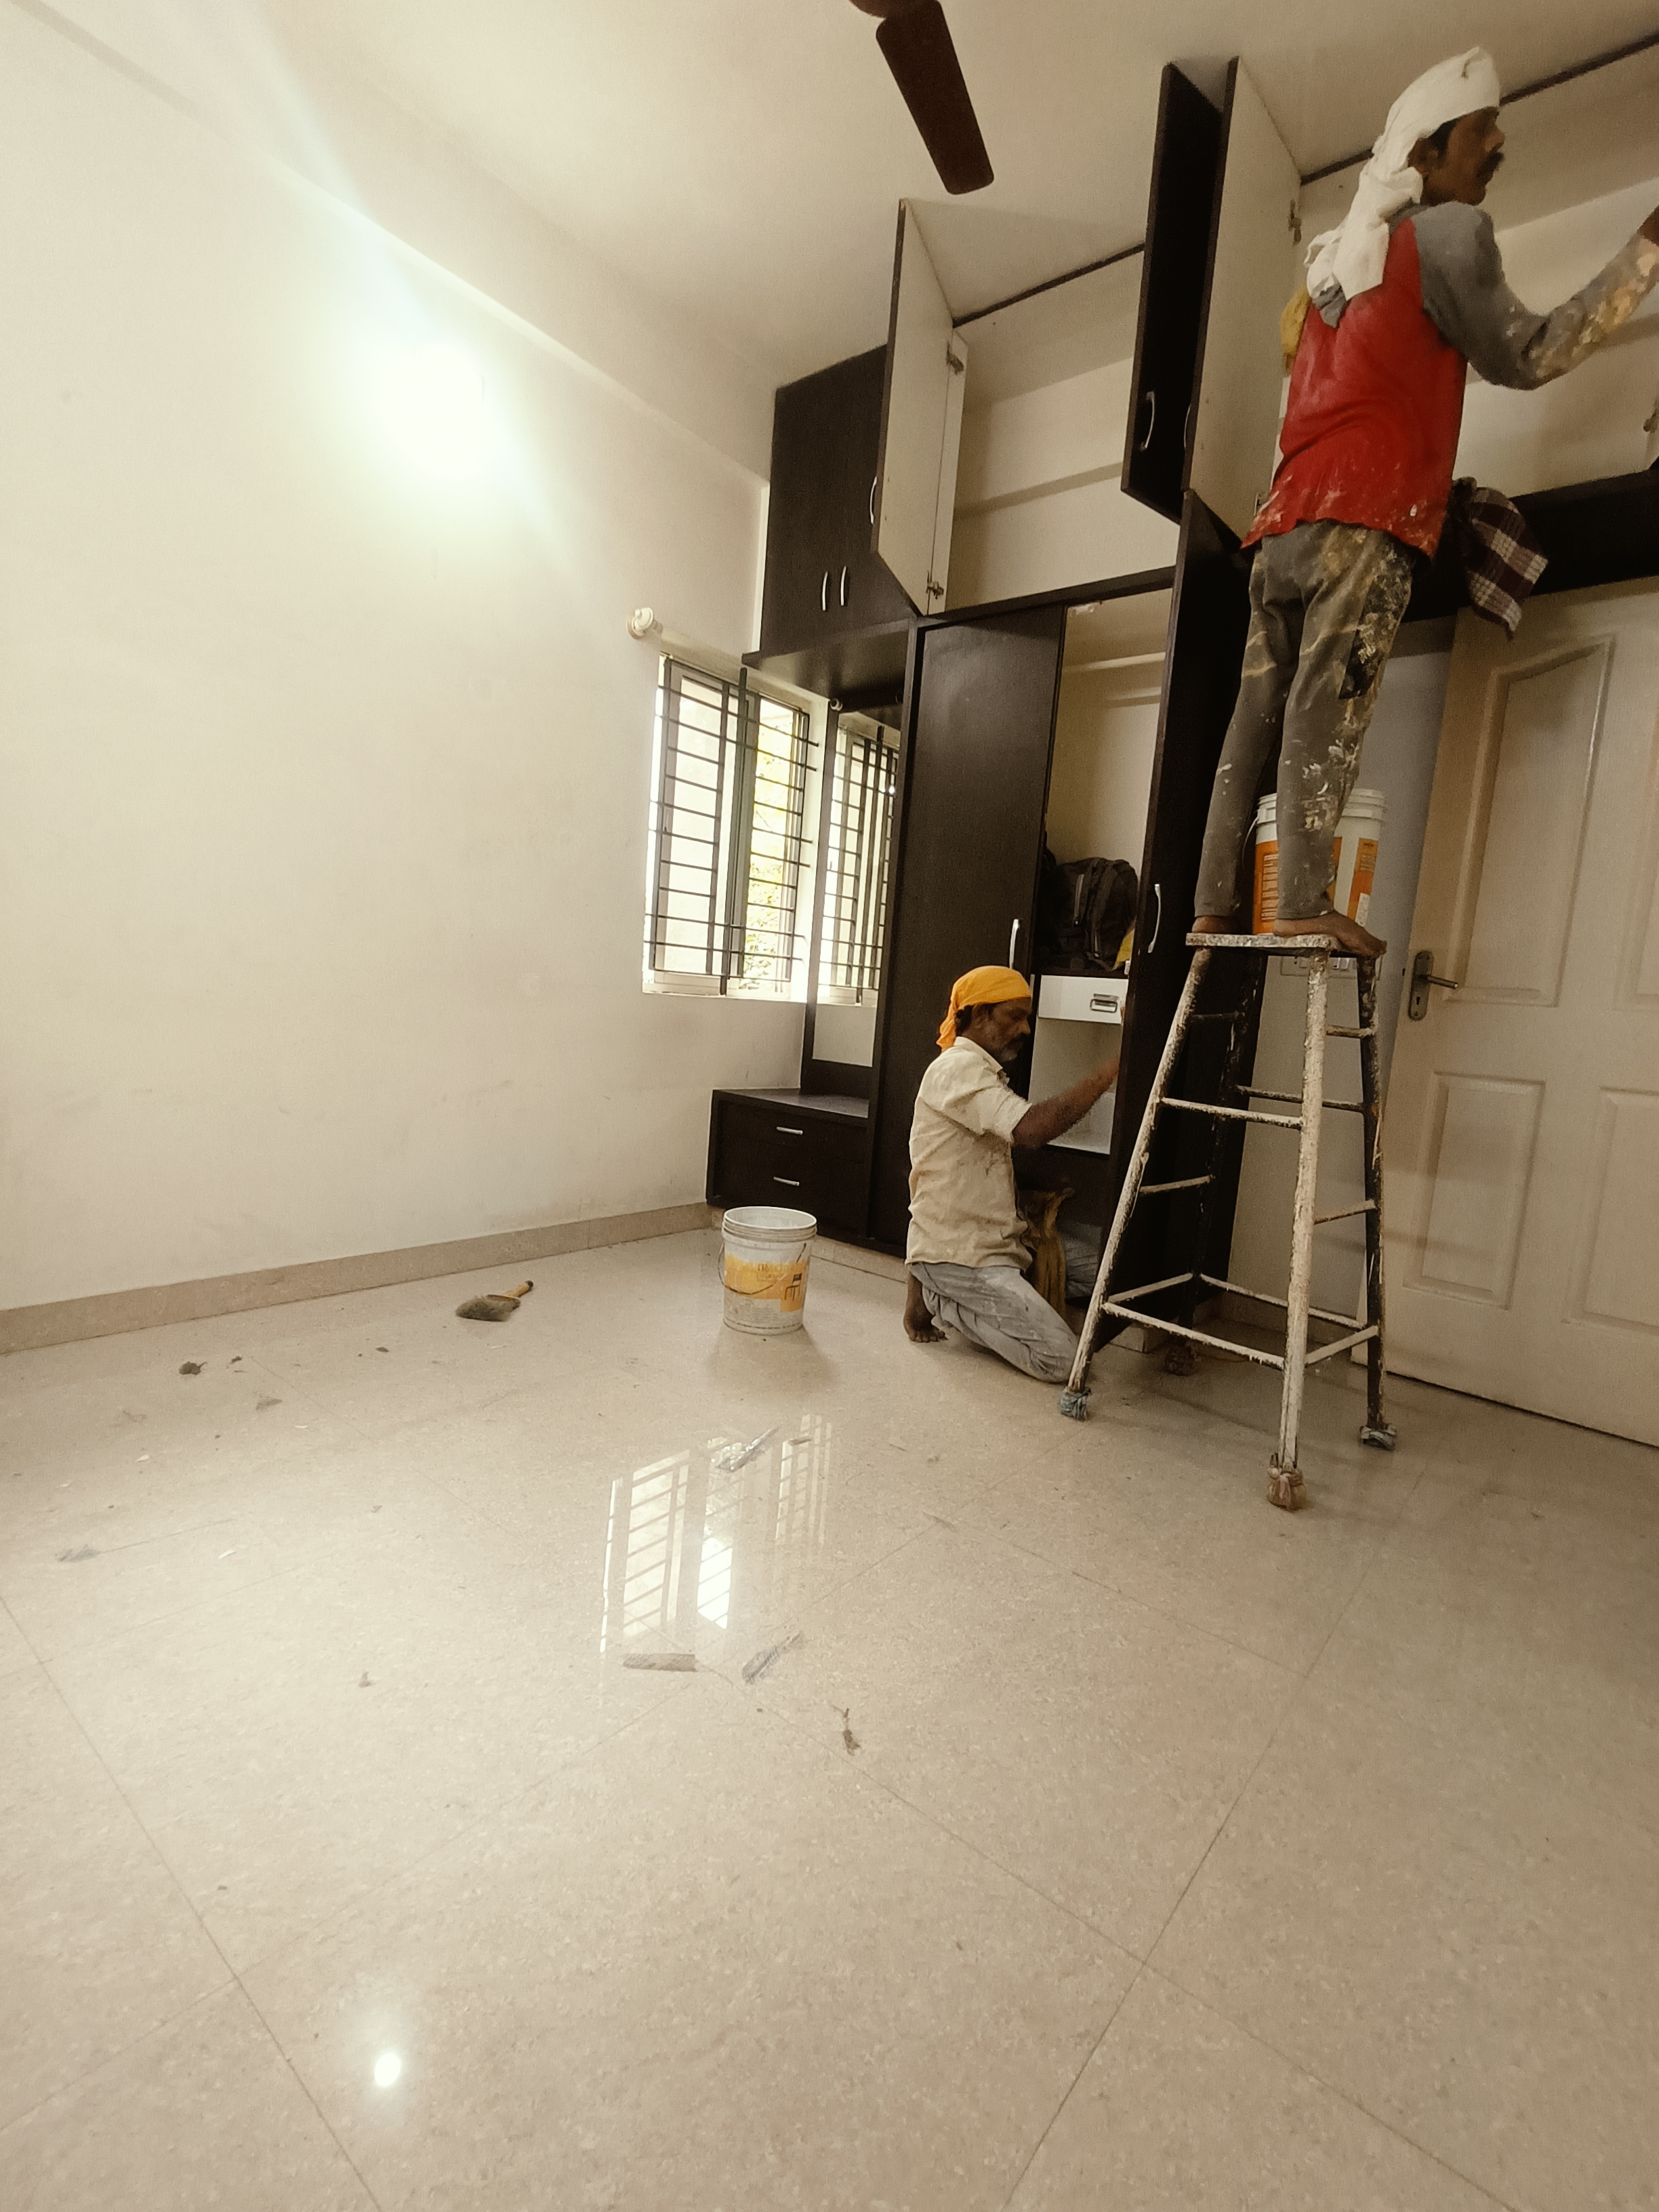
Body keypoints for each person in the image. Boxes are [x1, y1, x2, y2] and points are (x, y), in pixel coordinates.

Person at [1193, 46, 1659, 959]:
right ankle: (1302, 900)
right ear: (1426, 151)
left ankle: (1214, 900)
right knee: (1329, 707)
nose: (1498, 148)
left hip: (1282, 521)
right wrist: (1643, 253)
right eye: (1482, 132)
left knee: (1257, 713)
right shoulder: (1446, 236)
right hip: (1363, 519)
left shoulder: (1332, 270)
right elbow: (1527, 353)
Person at [903, 965, 1117, 1382]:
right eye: (1015, 1017)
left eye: (1027, 1018)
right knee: (1062, 1361)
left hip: (1001, 1244)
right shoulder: (958, 1069)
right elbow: (1032, 1130)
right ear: (980, 1014)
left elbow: (929, 1183)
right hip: (962, 1258)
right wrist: (1106, 1074)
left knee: (1107, 1276)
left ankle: (954, 1293)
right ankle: (945, 1301)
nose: (1026, 1030)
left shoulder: (980, 1071)